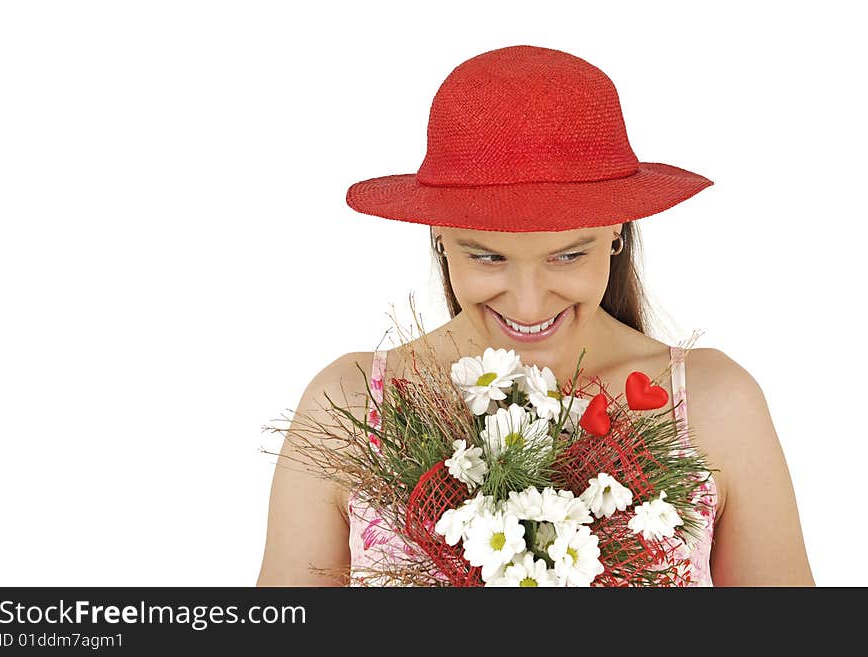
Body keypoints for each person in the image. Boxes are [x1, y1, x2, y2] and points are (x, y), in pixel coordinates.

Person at [257, 45, 814, 587]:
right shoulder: (353, 404)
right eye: (487, 256)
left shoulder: (717, 404)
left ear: (616, 231)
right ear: (439, 238)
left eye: (568, 255)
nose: (528, 304)